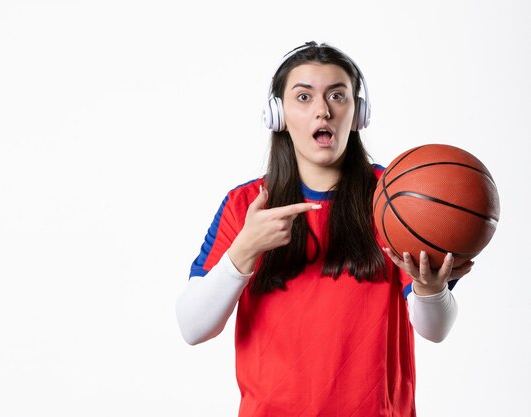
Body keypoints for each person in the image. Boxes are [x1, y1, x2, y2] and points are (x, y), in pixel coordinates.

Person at [175, 41, 473, 417]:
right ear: (277, 114)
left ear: (358, 112)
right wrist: (243, 252)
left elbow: (435, 330)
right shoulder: (245, 205)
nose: (323, 110)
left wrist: (431, 290)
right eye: (303, 97)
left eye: (337, 95)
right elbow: (192, 327)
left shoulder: (396, 202)